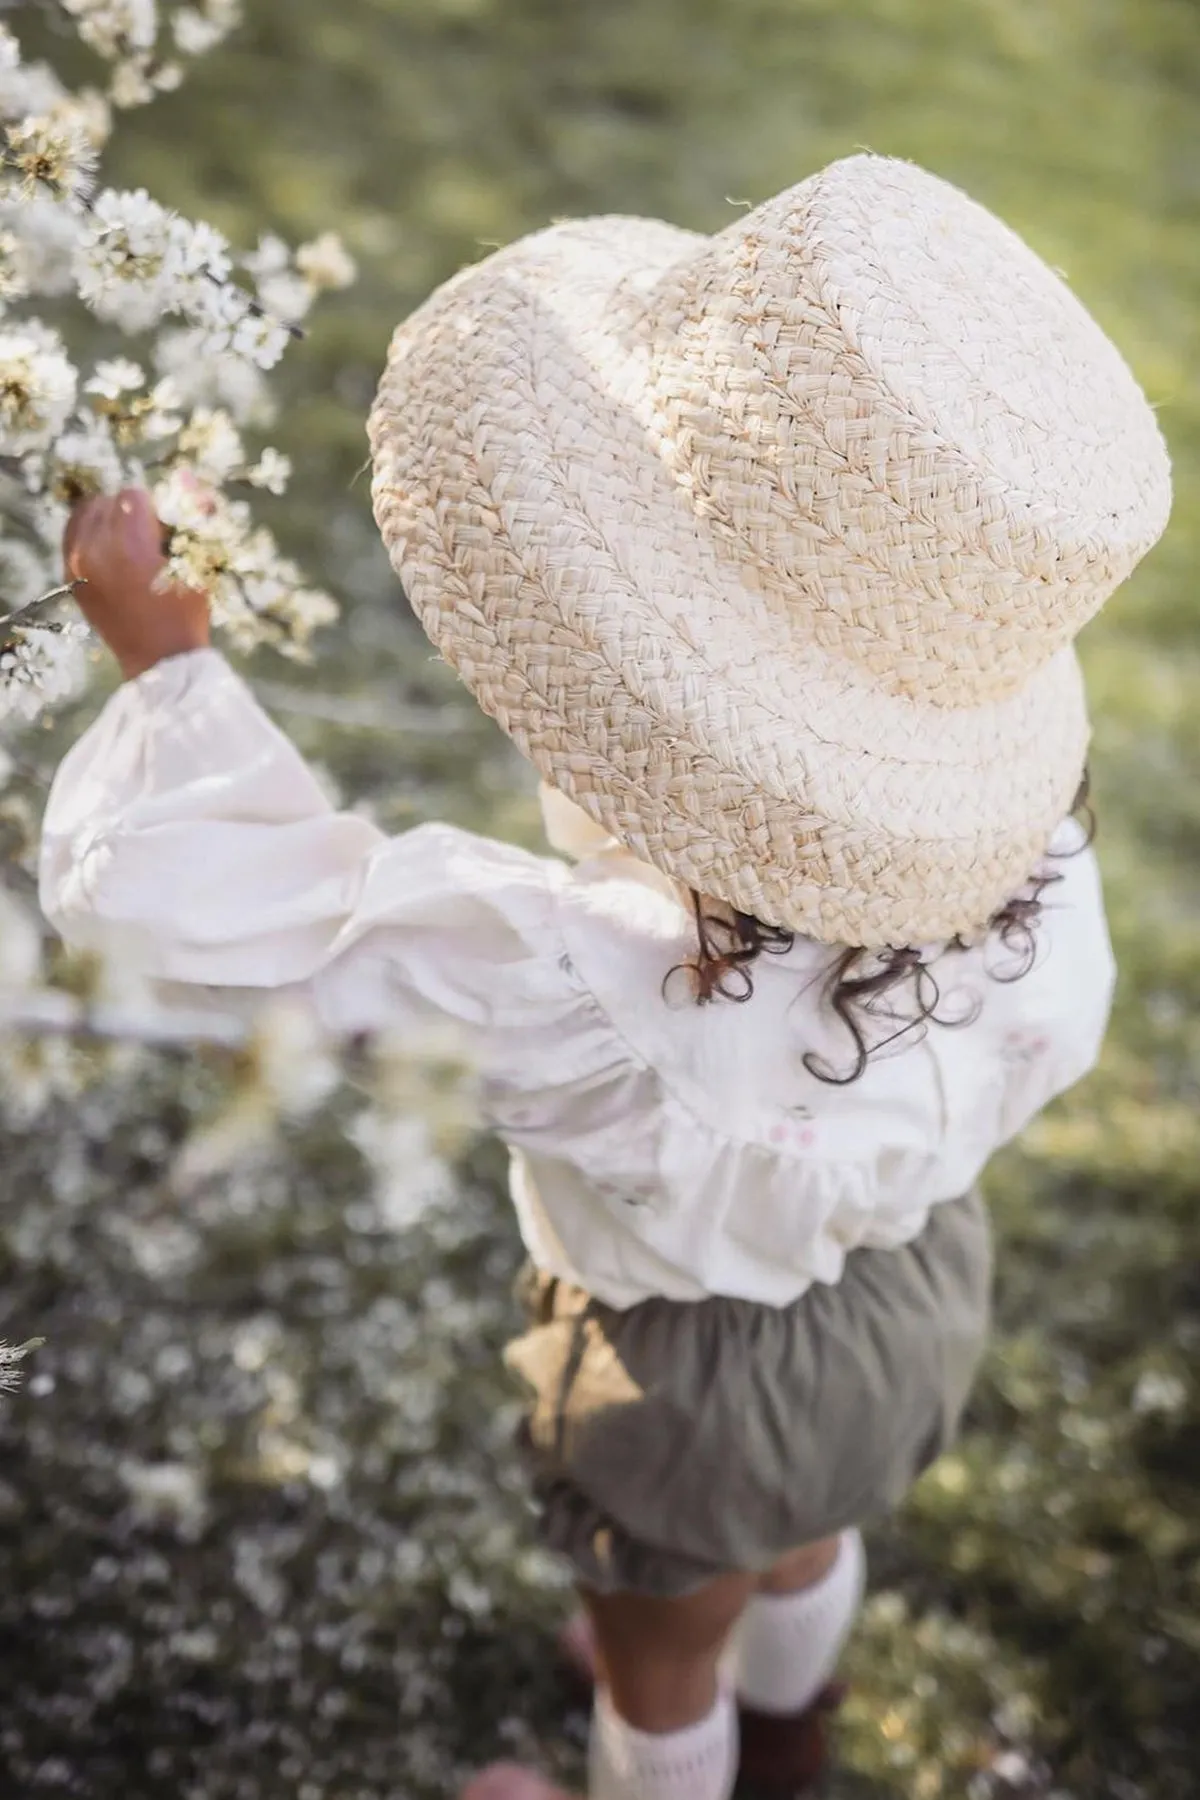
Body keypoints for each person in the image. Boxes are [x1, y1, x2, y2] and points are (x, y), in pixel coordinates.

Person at [39, 154, 1171, 1800]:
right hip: (914, 1307)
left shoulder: (587, 986)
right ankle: (794, 1739)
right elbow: (1048, 1045)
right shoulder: (1035, 876)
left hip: (684, 1392)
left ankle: (676, 1755)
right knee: (801, 1546)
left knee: (656, 1666)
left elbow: (234, 911)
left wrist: (171, 673)